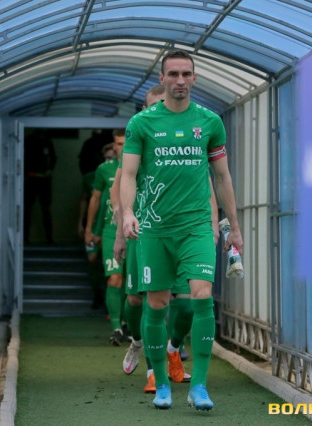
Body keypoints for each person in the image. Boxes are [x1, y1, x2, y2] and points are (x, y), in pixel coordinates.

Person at [120, 50, 243, 411]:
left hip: (196, 227)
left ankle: (199, 386)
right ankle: (160, 383)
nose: (179, 80)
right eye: (173, 74)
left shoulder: (210, 122)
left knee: (201, 296)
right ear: (162, 78)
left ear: (194, 78)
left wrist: (233, 228)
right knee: (156, 304)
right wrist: (127, 214)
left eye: (186, 74)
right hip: (154, 229)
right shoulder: (142, 123)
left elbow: (222, 177)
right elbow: (128, 175)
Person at [113, 85, 219, 394]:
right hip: (145, 232)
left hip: (187, 232)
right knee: (141, 301)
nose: (162, 107)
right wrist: (121, 233)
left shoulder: (191, 138)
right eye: (155, 104)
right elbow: (120, 192)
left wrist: (213, 225)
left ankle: (173, 348)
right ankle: (145, 356)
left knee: (187, 305)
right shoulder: (140, 134)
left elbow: (207, 186)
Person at [85, 129, 128, 345]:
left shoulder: (144, 165)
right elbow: (95, 199)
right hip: (111, 230)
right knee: (114, 278)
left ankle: (129, 324)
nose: (122, 148)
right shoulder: (104, 170)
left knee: (131, 284)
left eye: (125, 143)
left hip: (135, 231)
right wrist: (89, 229)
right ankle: (116, 328)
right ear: (113, 146)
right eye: (119, 144)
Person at [77, 129, 113, 309]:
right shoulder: (91, 177)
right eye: (106, 157)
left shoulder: (119, 174)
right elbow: (85, 199)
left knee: (111, 265)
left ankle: (109, 299)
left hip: (109, 225)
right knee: (92, 258)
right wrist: (82, 224)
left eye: (111, 157)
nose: (109, 160)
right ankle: (97, 295)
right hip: (92, 224)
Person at [24, 128, 57, 245]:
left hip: (42, 178)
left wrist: (49, 169)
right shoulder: (29, 140)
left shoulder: (46, 140)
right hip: (32, 177)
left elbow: (53, 157)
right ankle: (25, 239)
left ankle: (48, 238)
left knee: (44, 209)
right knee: (28, 209)